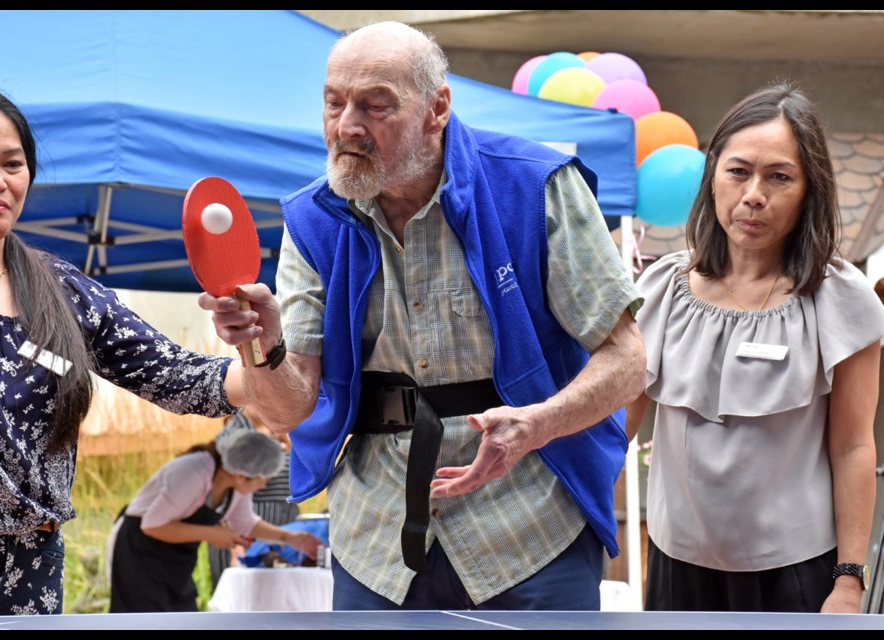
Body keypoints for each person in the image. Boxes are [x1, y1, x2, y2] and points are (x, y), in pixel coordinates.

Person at [199, 21, 645, 610]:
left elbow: (629, 359)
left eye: (375, 105)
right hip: (377, 535)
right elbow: (289, 406)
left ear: (437, 108)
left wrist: (539, 423)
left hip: (531, 521)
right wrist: (261, 346)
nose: (347, 126)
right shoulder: (313, 219)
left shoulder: (532, 185)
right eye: (333, 103)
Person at [0, 83, 252, 618]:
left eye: (12, 163)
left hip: (33, 573)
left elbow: (186, 378)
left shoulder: (62, 290)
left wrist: (265, 354)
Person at [625, 81, 884, 613]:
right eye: (738, 171)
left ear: (810, 189)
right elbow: (613, 430)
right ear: (713, 175)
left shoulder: (840, 299)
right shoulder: (659, 291)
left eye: (780, 177)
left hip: (800, 573)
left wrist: (849, 581)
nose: (753, 195)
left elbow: (854, 447)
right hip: (677, 567)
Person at [107, 429, 322, 613]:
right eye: (262, 479)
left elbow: (245, 523)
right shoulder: (194, 471)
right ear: (241, 475)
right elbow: (152, 525)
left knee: (182, 616)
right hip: (138, 550)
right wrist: (212, 534)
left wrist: (290, 538)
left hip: (175, 559)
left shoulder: (236, 485)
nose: (263, 486)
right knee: (143, 620)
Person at [206, 407, 300, 588]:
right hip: (246, 538)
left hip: (280, 529)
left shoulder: (276, 431)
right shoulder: (235, 436)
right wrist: (236, 547)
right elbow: (222, 497)